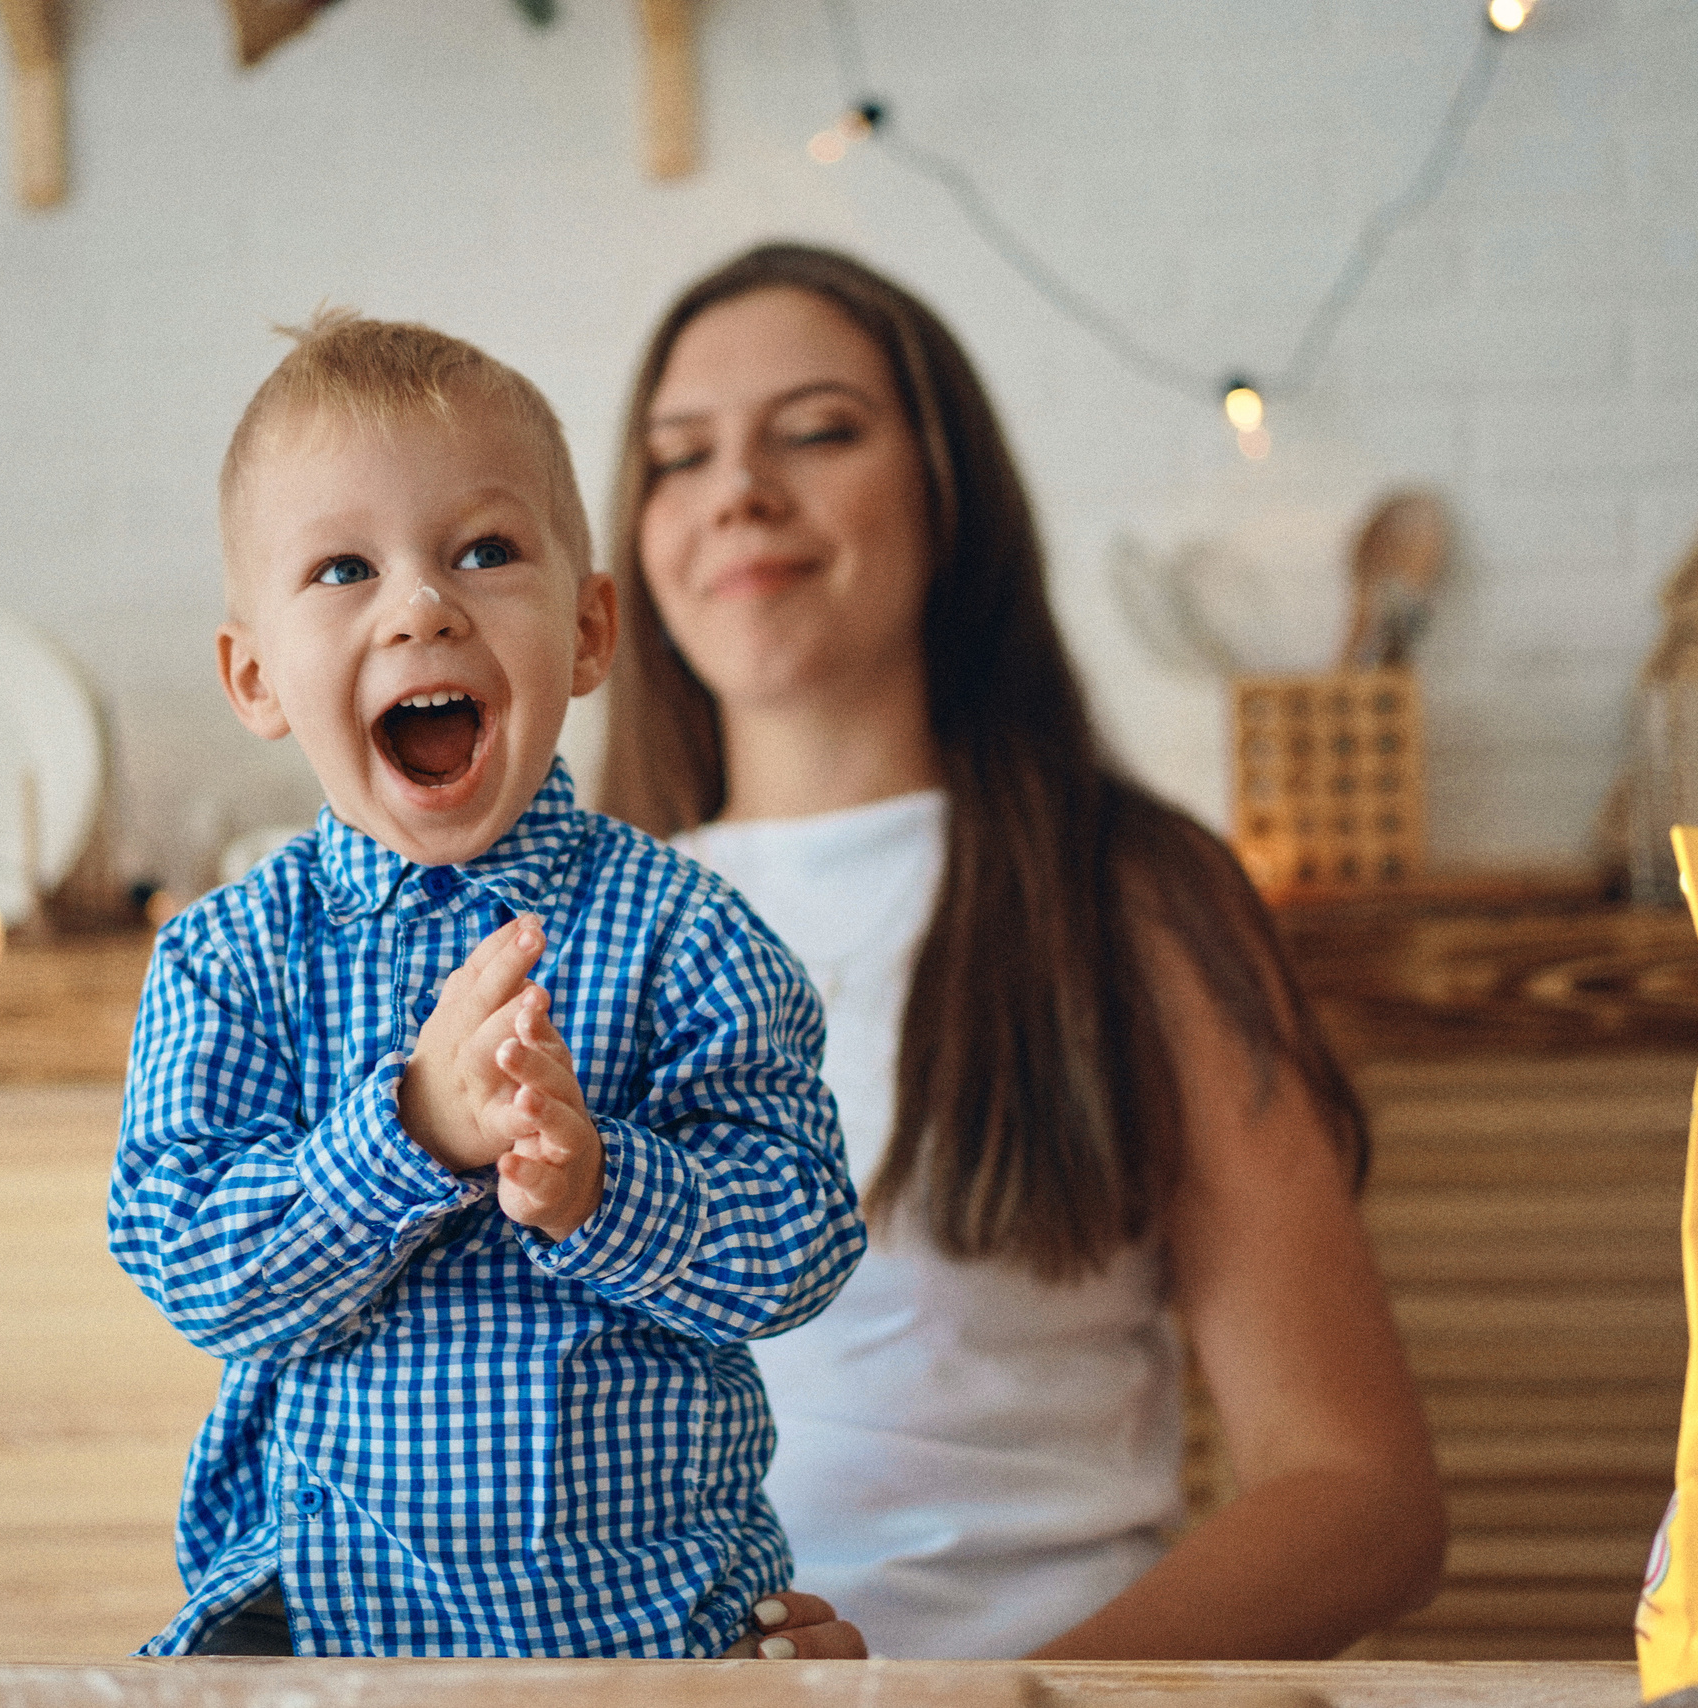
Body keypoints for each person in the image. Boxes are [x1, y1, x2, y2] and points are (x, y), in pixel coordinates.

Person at [597, 243, 1448, 1660]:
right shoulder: (554, 937)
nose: (738, 489)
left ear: (950, 495)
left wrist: (1000, 1707)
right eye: (678, 458)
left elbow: (1359, 1491)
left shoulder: (1124, 895)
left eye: (817, 431)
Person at [109, 310, 866, 1658]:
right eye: (344, 569)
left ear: (585, 633)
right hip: (331, 1639)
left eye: (485, 551)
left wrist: (605, 1187)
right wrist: (407, 1131)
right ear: (255, 674)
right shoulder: (228, 961)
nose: (421, 606)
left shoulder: (692, 936)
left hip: (654, 1638)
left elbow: (802, 1241)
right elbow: (189, 1263)